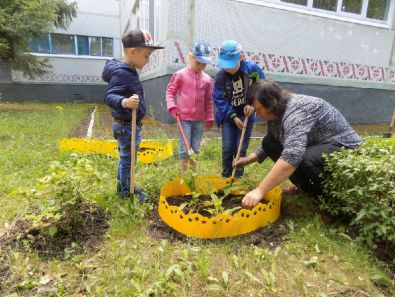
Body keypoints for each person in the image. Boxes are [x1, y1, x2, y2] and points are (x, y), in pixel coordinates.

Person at [233, 80, 362, 209]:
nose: (258, 114)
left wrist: (260, 190)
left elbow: (293, 155)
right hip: (318, 144)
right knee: (269, 142)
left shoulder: (296, 112)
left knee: (305, 159)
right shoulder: (276, 110)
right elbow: (274, 137)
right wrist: (247, 160)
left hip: (344, 146)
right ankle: (304, 187)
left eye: (259, 109)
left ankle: (328, 203)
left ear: (270, 102)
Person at [102, 28, 164, 200]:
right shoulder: (122, 72)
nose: (148, 60)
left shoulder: (128, 69)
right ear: (133, 51)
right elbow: (109, 96)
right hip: (126, 126)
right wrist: (125, 102)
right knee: (128, 161)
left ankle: (124, 188)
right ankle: (126, 193)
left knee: (126, 160)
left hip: (127, 125)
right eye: (146, 56)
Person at [212, 40, 266, 178]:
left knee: (240, 149)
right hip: (229, 117)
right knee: (227, 148)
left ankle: (238, 178)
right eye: (224, 65)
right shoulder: (221, 77)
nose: (226, 68)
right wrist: (233, 116)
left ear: (241, 57)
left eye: (229, 64)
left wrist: (253, 105)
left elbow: (263, 88)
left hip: (247, 116)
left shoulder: (253, 70)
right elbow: (219, 99)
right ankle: (226, 176)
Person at [166, 40, 214, 173]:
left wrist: (209, 117)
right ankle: (183, 176)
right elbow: (170, 92)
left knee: (195, 148)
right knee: (185, 148)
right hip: (183, 119)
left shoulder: (207, 80)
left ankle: (193, 175)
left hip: (199, 120)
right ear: (190, 57)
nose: (201, 66)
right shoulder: (180, 75)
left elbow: (208, 100)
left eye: (204, 64)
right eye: (198, 62)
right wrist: (172, 106)